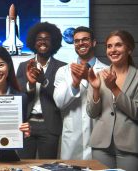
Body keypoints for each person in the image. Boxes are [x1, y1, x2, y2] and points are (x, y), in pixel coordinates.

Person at [86, 30, 138, 171]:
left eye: (118, 45)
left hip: (130, 145)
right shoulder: (98, 76)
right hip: (101, 145)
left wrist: (114, 88)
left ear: (129, 49)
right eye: (109, 46)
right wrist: (96, 89)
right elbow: (92, 113)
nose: (113, 50)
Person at [53, 26, 107, 160]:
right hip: (72, 137)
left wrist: (89, 80)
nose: (81, 43)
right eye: (77, 41)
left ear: (94, 42)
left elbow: (109, 103)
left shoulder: (107, 70)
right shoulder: (63, 71)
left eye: (85, 40)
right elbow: (59, 103)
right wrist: (75, 83)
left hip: (100, 135)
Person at [17, 22, 66, 159]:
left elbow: (62, 97)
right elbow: (18, 94)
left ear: (54, 42)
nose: (43, 42)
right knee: (24, 165)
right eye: (39, 39)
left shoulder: (62, 68)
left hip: (50, 125)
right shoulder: (23, 66)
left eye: (47, 39)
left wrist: (44, 81)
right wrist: (31, 85)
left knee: (49, 166)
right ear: (33, 42)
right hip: (27, 124)